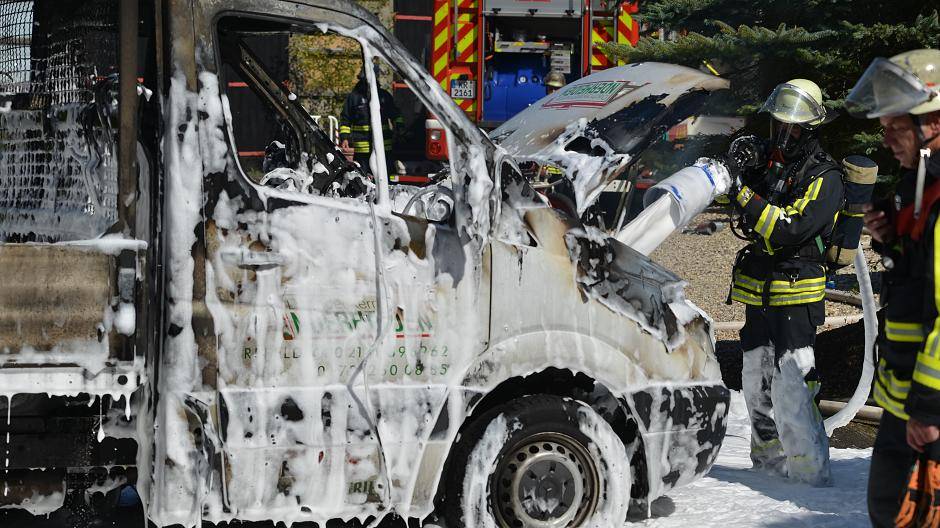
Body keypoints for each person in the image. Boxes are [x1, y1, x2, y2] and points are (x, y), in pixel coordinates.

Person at [727, 78, 845, 487]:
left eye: (793, 127)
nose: (783, 134)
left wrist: (744, 196)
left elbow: (789, 228)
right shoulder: (771, 165)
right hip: (759, 289)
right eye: (779, 124)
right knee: (754, 379)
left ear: (809, 129)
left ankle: (811, 477)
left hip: (795, 294)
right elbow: (748, 216)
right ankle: (768, 469)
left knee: (793, 384)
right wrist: (739, 171)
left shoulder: (824, 177)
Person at [847, 49, 940, 527]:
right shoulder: (917, 188)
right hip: (907, 404)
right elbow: (922, 285)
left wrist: (930, 408)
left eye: (895, 129)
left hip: (926, 413)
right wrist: (892, 244)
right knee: (890, 511)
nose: (886, 142)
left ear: (934, 124)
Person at [339, 64, 404, 174]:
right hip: (362, 149)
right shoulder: (354, 98)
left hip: (383, 147)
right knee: (363, 177)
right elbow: (345, 118)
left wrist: (399, 126)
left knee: (385, 176)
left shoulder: (383, 96)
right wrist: (344, 138)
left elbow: (396, 114)